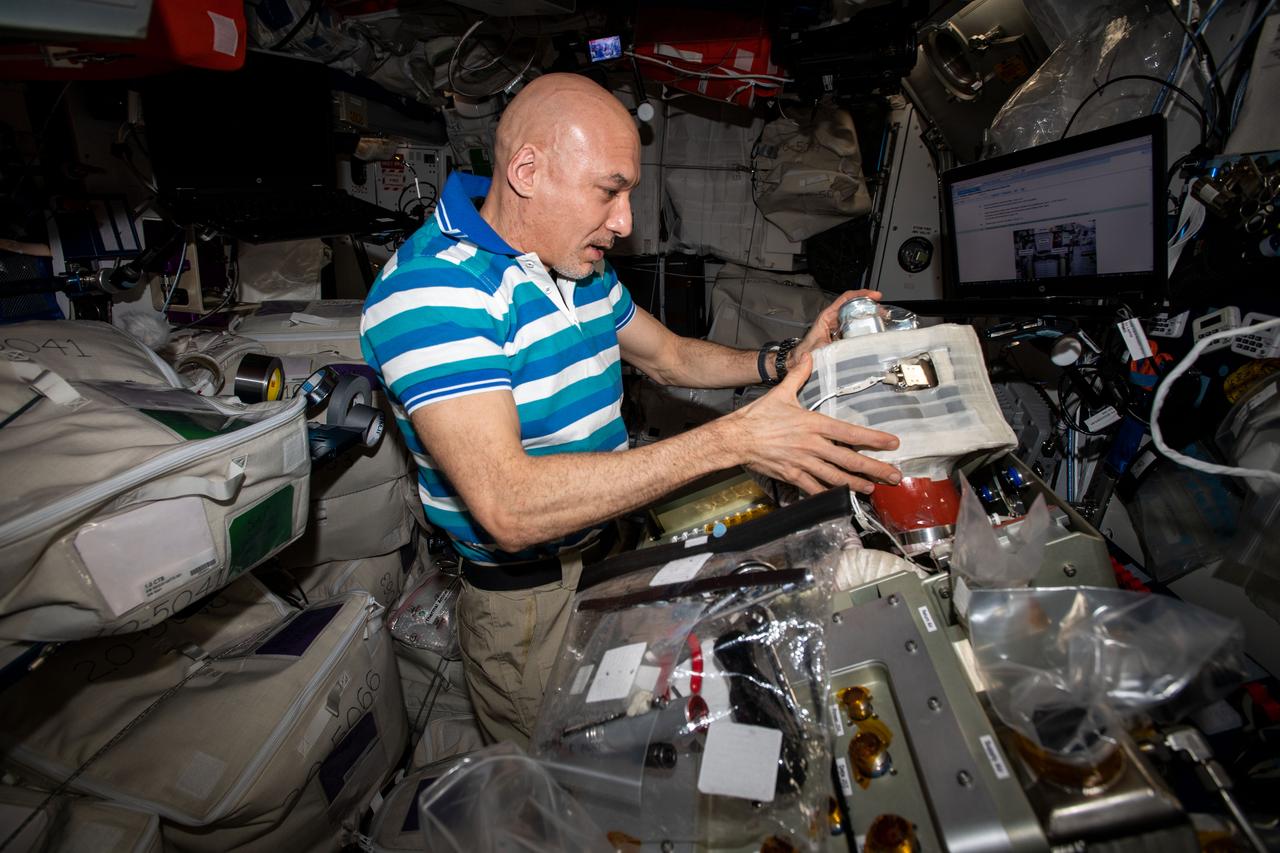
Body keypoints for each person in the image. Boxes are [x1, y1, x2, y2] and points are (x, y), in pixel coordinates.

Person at [361, 73, 901, 747]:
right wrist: (735, 440)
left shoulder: (571, 263)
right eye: (609, 190)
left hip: (614, 550)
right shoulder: (431, 290)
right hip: (530, 603)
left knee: (643, 733)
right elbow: (509, 506)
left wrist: (785, 361)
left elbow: (670, 357)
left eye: (629, 194)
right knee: (568, 772)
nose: (625, 222)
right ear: (527, 171)